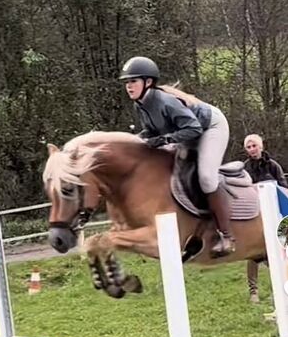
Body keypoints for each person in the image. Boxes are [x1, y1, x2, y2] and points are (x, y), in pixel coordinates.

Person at [119, 55, 235, 258]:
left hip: (210, 127)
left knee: (206, 178)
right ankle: (194, 232)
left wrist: (163, 140)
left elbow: (194, 129)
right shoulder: (140, 103)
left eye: (133, 81)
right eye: (127, 82)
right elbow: (150, 130)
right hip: (187, 132)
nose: (129, 86)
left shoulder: (165, 101)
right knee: (173, 173)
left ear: (148, 82)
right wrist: (133, 142)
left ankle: (226, 236)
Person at [243, 133, 288, 303]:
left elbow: (284, 188)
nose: (252, 149)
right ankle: (253, 291)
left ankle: (280, 286)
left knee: (278, 252)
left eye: (254, 146)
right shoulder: (245, 169)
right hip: (255, 216)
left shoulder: (273, 166)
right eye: (248, 147)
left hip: (275, 214)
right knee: (254, 254)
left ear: (261, 146)